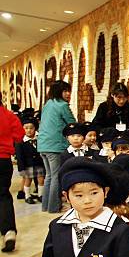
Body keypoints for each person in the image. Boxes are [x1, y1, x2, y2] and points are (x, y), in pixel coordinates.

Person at [38, 80, 76, 214]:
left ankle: (46, 206)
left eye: (68, 91)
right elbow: (72, 123)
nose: (68, 94)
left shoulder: (48, 104)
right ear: (59, 92)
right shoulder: (62, 105)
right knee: (55, 176)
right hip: (55, 145)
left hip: (43, 145)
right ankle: (54, 207)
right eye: (65, 91)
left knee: (49, 176)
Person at [0, 100, 25, 252]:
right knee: (3, 195)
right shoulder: (8, 115)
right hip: (3, 160)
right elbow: (19, 135)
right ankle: (9, 231)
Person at [15, 116, 45, 205]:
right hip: (28, 164)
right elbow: (19, 156)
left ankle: (40, 195)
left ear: (35, 128)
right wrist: (21, 168)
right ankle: (27, 195)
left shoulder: (39, 138)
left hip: (39, 163)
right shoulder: (20, 141)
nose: (29, 130)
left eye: (31, 128)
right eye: (26, 128)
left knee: (41, 179)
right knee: (28, 180)